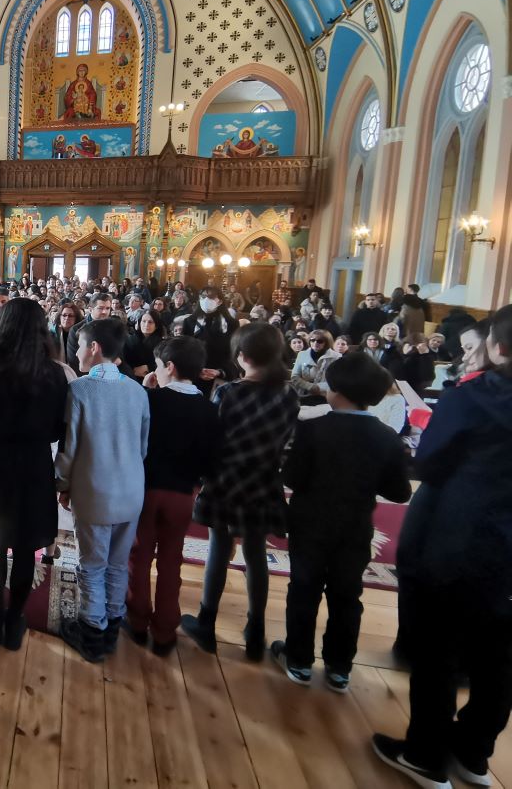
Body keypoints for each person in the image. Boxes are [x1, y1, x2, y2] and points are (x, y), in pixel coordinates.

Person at [373, 305, 512, 788]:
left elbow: (428, 463)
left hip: (456, 541)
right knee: (498, 658)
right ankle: (474, 754)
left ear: (498, 347)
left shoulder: (473, 397)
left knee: (438, 652)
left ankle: (426, 755)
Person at [270, 352, 411, 692]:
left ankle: (299, 660)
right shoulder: (386, 436)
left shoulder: (313, 429)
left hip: (310, 523)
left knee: (303, 589)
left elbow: (292, 477)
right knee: (347, 595)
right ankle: (339, 667)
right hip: (355, 527)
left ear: (338, 391)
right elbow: (399, 492)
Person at [181, 323, 299, 661]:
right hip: (264, 481)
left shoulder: (229, 393)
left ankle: (207, 623)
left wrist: (201, 475)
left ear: (242, 356)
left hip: (226, 480)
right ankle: (256, 630)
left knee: (219, 548)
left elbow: (213, 439)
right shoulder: (288, 394)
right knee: (256, 553)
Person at [0, 299, 69, 651]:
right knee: (27, 549)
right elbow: (57, 430)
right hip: (34, 466)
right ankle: (15, 621)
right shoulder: (54, 373)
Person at [54, 317, 149, 662]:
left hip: (95, 490)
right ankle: (112, 624)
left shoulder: (80, 389)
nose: (77, 352)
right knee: (118, 564)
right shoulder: (137, 390)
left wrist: (62, 483)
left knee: (92, 565)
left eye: (80, 345)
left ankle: (92, 633)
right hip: (132, 490)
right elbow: (142, 446)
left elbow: (70, 448)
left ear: (94, 348)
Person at [125, 337, 220, 655]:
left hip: (147, 490)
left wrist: (147, 390)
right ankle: (165, 632)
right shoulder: (209, 410)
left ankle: (137, 621)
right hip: (183, 494)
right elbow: (211, 461)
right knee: (170, 561)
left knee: (138, 557)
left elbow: (136, 442)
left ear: (169, 366)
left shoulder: (151, 400)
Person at [180, 287, 239, 393]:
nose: (206, 299)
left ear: (220, 301)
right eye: (203, 296)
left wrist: (220, 371)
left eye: (211, 297)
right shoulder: (190, 321)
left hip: (219, 375)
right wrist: (195, 369)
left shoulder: (231, 324)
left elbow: (234, 353)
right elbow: (183, 350)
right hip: (193, 373)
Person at [67, 292, 114, 372]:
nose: (105, 312)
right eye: (100, 308)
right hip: (86, 375)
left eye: (107, 308)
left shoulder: (114, 328)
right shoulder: (76, 329)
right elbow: (74, 361)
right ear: (90, 309)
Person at [290, 330, 341, 403]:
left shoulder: (336, 357)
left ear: (327, 342)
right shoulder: (302, 354)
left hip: (327, 396)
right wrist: (310, 386)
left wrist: (319, 388)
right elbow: (294, 377)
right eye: (312, 340)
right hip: (304, 395)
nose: (315, 343)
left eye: (320, 341)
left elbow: (337, 380)